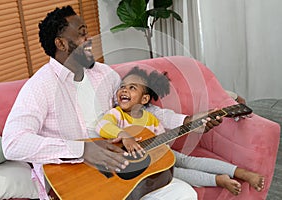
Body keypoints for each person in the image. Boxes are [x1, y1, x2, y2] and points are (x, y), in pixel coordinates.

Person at [1, 5, 224, 200]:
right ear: (60, 43)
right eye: (81, 35)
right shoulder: (40, 86)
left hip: (120, 170)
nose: (88, 40)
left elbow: (139, 111)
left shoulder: (104, 75)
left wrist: (185, 121)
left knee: (183, 194)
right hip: (75, 182)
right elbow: (13, 143)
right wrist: (81, 149)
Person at [96, 66, 265, 196]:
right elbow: (102, 126)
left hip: (160, 152)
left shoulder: (150, 117)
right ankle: (218, 180)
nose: (124, 90)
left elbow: (163, 136)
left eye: (132, 88)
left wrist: (163, 145)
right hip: (144, 165)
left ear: (144, 99)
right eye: (123, 87)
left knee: (189, 160)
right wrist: (124, 135)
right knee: (175, 172)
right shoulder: (116, 114)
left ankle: (239, 171)